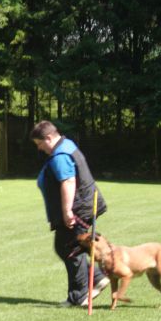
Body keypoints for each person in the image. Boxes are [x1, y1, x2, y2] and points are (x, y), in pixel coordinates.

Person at [31, 120, 110, 307]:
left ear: (49, 138)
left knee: (69, 248)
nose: (40, 149)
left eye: (40, 144)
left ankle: (80, 294)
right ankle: (96, 278)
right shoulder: (67, 145)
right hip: (83, 205)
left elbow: (68, 181)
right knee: (66, 247)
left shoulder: (60, 155)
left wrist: (67, 211)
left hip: (77, 210)